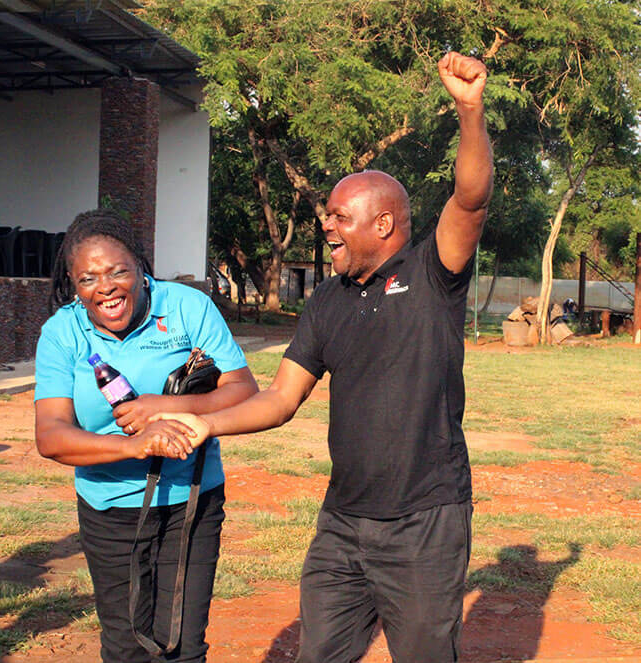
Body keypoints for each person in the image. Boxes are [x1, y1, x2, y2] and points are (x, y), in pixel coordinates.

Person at [153, 51, 493, 662]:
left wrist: (470, 111)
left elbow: (469, 201)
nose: (327, 225)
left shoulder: (432, 273)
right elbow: (280, 399)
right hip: (342, 523)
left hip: (422, 523)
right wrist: (206, 421)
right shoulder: (327, 302)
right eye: (327, 214)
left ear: (384, 223)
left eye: (340, 216)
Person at [33, 209, 258, 663]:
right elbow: (51, 436)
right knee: (126, 647)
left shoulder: (186, 307)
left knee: (183, 646)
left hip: (190, 502)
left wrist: (166, 406)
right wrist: (132, 445)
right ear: (73, 285)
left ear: (140, 266)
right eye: (88, 279)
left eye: (119, 271)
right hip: (109, 508)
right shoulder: (62, 332)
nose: (106, 288)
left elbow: (243, 390)